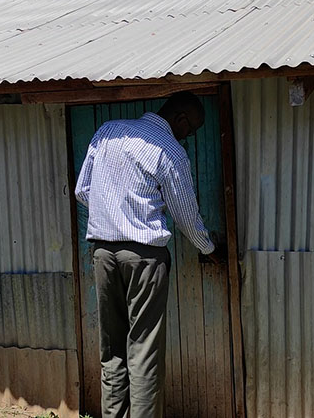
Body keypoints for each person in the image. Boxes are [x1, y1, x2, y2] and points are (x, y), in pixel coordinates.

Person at [74, 91, 221, 418]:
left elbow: (83, 190)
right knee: (144, 350)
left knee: (112, 351)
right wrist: (209, 249)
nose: (188, 136)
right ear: (180, 120)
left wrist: (113, 215)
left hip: (102, 253)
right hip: (144, 259)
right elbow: (186, 217)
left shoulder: (108, 131)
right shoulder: (169, 151)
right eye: (191, 129)